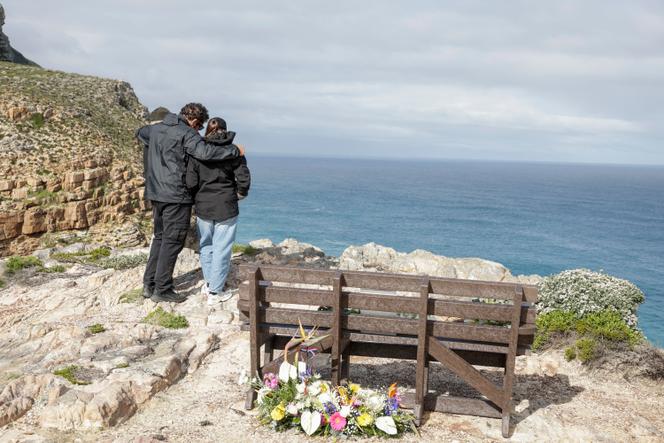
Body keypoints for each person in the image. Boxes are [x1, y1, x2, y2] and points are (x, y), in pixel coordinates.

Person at [136, 103, 245, 303]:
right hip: (176, 195)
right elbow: (206, 153)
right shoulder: (187, 133)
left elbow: (140, 133)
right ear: (194, 121)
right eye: (199, 127)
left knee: (159, 237)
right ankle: (162, 289)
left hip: (155, 193)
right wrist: (235, 152)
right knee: (173, 240)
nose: (198, 131)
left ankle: (148, 284)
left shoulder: (155, 129)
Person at [186, 117, 251, 304]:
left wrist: (197, 197)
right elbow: (244, 178)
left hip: (203, 205)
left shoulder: (197, 152)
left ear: (207, 131)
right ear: (225, 130)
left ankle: (208, 284)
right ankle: (215, 292)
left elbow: (190, 181)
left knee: (206, 246)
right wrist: (239, 194)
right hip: (226, 206)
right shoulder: (235, 152)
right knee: (222, 248)